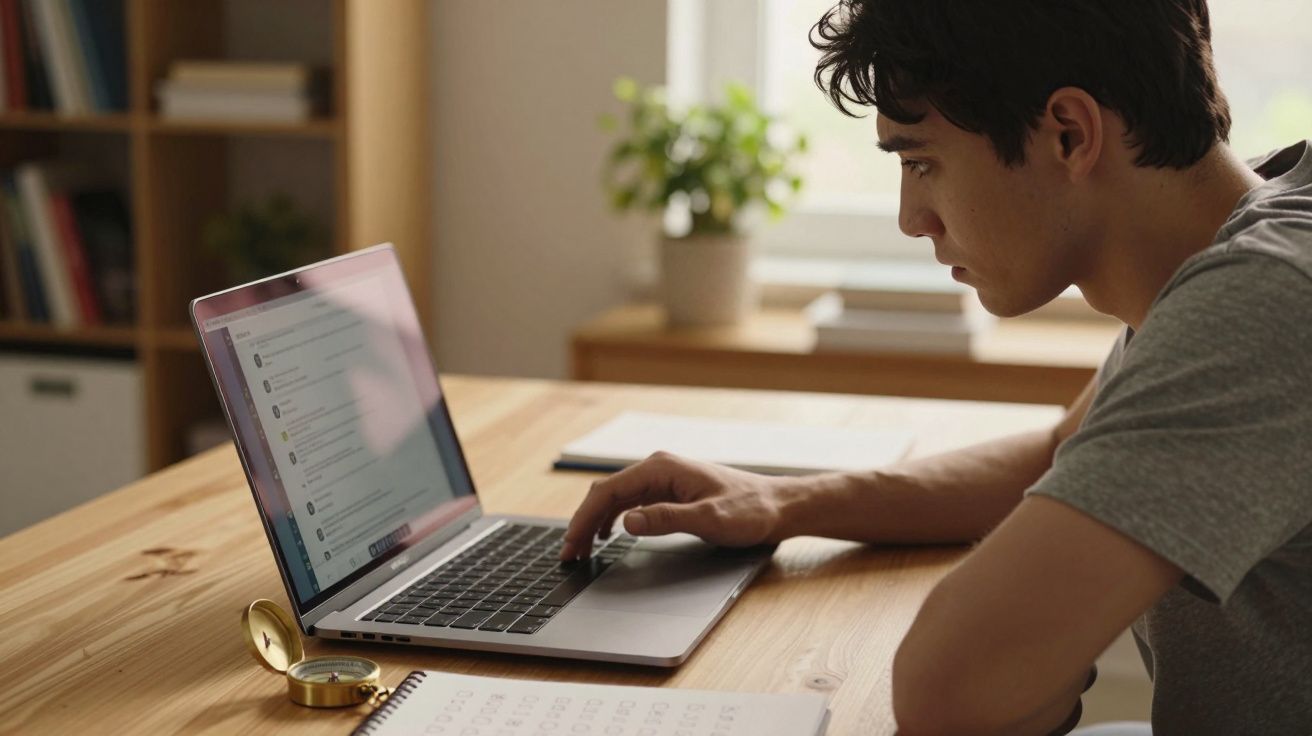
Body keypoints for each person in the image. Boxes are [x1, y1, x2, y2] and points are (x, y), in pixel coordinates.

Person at [560, 1, 1312, 734]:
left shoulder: (1269, 298)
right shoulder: (1246, 235)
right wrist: (785, 503)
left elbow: (950, 688)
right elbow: (1059, 456)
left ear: (1068, 134)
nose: (910, 217)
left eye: (922, 162)